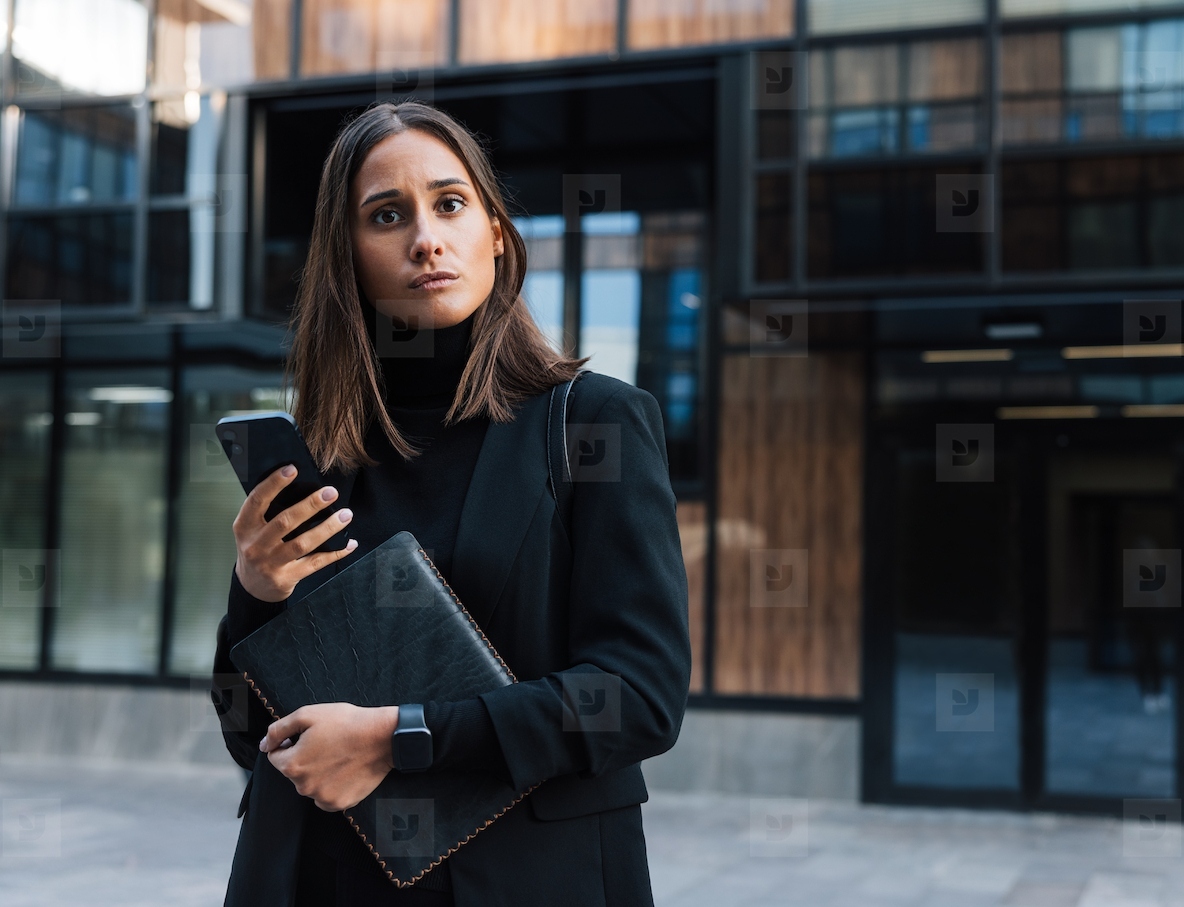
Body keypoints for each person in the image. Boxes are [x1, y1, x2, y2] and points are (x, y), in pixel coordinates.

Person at [210, 99, 692, 906]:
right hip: (328, 877)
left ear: (496, 233)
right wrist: (254, 598)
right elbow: (249, 738)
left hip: (527, 879)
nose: (425, 238)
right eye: (386, 214)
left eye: (450, 203)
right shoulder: (325, 455)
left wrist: (401, 737)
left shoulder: (594, 422)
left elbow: (638, 696)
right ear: (348, 257)